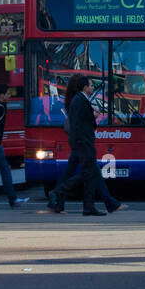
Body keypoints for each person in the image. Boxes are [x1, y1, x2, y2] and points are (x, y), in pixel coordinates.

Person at [47, 73, 115, 216]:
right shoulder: (79, 101)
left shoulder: (80, 99)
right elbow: (79, 124)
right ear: (85, 87)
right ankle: (58, 192)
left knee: (89, 174)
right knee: (88, 173)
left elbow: (82, 121)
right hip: (83, 142)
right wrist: (94, 117)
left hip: (83, 142)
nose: (92, 87)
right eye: (91, 85)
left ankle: (89, 206)